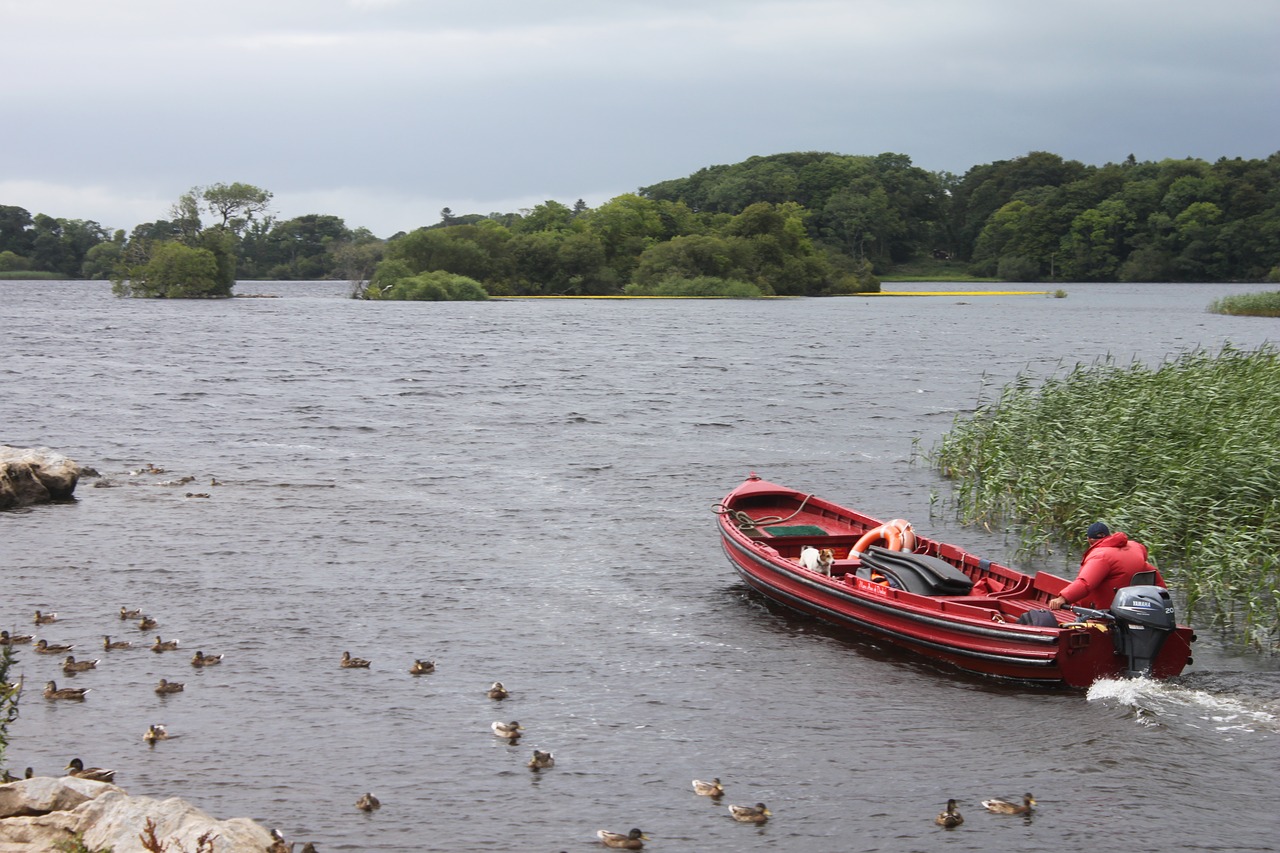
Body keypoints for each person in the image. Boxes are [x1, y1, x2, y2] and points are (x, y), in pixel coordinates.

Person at [1047, 522, 1164, 610]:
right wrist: (1164, 597)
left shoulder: (1101, 556)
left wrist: (1063, 598)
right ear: (1109, 536)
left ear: (1089, 540)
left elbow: (1085, 583)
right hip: (1134, 606)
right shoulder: (1135, 547)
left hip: (1106, 611)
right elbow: (1151, 571)